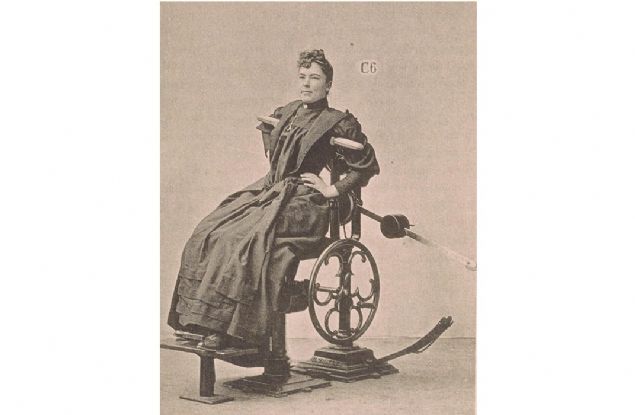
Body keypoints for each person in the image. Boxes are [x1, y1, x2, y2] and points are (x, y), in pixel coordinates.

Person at [167, 49, 380, 349]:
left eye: (315, 78)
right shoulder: (290, 110)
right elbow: (270, 133)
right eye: (303, 77)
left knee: (248, 239)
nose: (306, 83)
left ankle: (231, 329)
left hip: (306, 203)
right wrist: (276, 152)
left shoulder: (338, 121)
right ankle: (200, 320)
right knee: (211, 229)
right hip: (273, 189)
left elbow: (366, 165)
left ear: (328, 84)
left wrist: (332, 189)